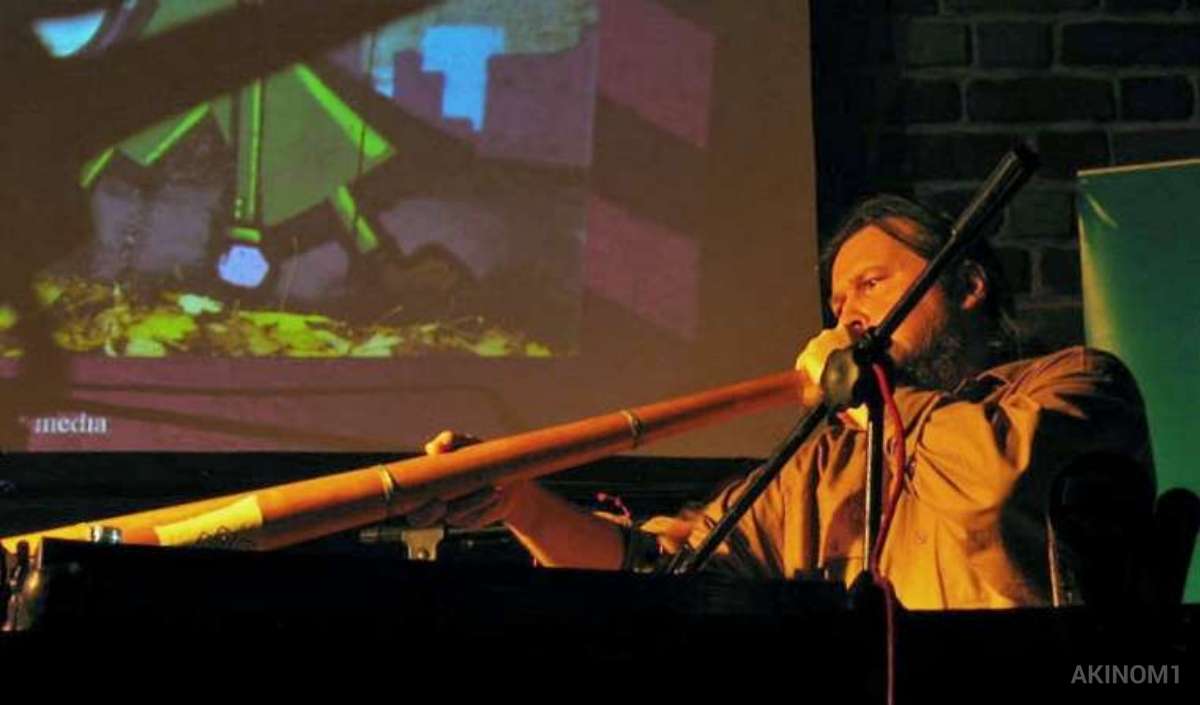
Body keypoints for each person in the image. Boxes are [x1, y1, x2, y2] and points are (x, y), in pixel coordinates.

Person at [409, 195, 1155, 610]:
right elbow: (667, 567)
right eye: (837, 304)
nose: (848, 319)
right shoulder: (828, 461)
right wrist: (521, 505)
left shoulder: (1075, 385)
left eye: (871, 285)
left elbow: (993, 487)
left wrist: (871, 399)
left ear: (967, 285)